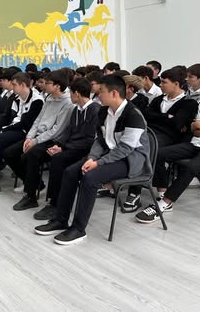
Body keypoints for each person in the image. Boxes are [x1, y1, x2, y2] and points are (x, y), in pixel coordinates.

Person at [34, 75, 149, 245]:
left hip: (130, 160)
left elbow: (125, 149)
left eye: (101, 91)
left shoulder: (133, 115)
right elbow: (100, 140)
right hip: (109, 155)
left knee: (90, 177)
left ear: (114, 93)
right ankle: (60, 220)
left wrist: (98, 162)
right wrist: (92, 157)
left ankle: (78, 229)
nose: (97, 94)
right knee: (70, 172)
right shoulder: (103, 111)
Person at [135, 69, 200, 222]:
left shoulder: (190, 102)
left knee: (191, 167)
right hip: (196, 143)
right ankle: (160, 193)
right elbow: (194, 128)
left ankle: (164, 203)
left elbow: (196, 126)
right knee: (158, 153)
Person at [18, 78, 100, 219]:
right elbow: (69, 132)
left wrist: (63, 148)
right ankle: (31, 195)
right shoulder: (77, 109)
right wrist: (59, 145)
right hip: (71, 146)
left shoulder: (94, 110)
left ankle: (54, 203)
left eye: (71, 92)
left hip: (85, 150)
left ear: (77, 93)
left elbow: (89, 140)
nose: (69, 95)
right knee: (35, 154)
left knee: (58, 160)